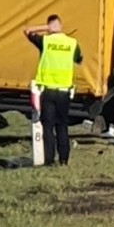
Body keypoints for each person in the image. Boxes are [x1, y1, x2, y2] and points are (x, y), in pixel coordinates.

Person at [23, 14, 83, 167]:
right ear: (61, 26)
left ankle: (49, 160)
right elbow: (79, 59)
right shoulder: (72, 43)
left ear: (50, 27)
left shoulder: (45, 41)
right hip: (64, 92)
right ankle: (64, 160)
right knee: (62, 125)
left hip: (48, 91)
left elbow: (27, 31)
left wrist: (45, 28)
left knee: (48, 126)